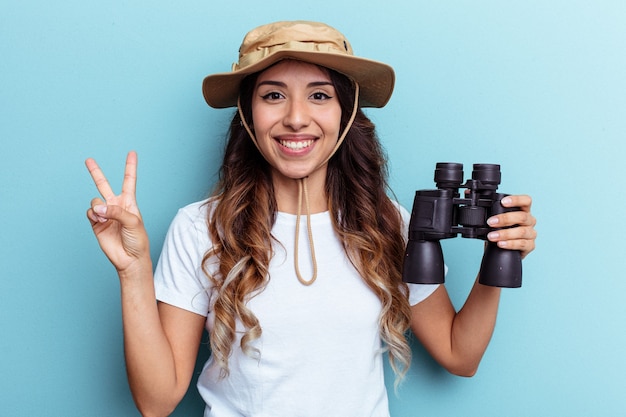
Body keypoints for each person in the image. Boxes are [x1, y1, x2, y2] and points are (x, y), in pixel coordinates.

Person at [85, 21, 537, 417]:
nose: (296, 118)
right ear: (248, 113)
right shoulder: (200, 227)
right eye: (273, 95)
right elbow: (156, 401)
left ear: (345, 114)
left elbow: (461, 355)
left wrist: (500, 255)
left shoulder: (388, 224)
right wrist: (134, 271)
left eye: (319, 95)